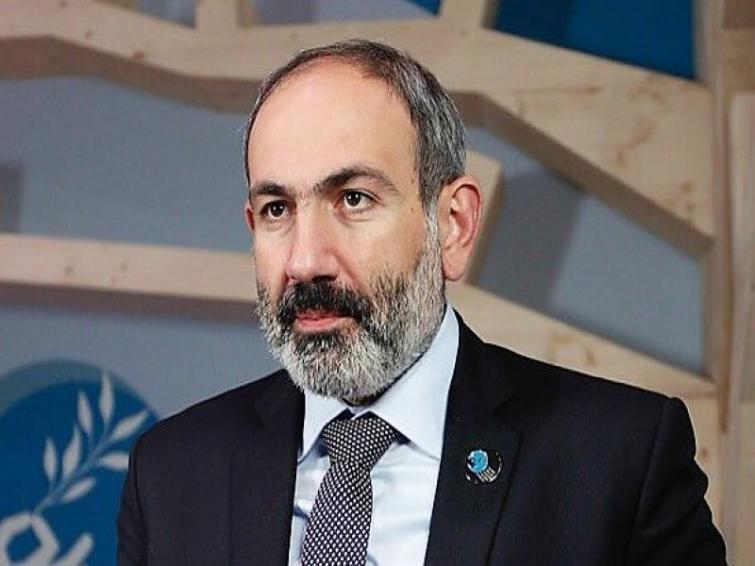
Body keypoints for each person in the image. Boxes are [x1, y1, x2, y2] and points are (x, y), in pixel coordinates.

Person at [117, 39, 727, 565]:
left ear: (453, 225)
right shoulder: (171, 474)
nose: (305, 261)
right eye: (278, 209)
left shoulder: (618, 460)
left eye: (353, 199)